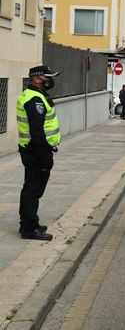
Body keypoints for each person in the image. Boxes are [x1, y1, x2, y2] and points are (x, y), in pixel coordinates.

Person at [17, 66, 62, 241]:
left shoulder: (33, 95)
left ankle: (30, 223)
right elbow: (37, 131)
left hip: (31, 149)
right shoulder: (34, 100)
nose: (50, 80)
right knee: (32, 191)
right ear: (36, 79)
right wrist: (45, 156)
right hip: (36, 151)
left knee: (31, 189)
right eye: (47, 77)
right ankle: (29, 229)